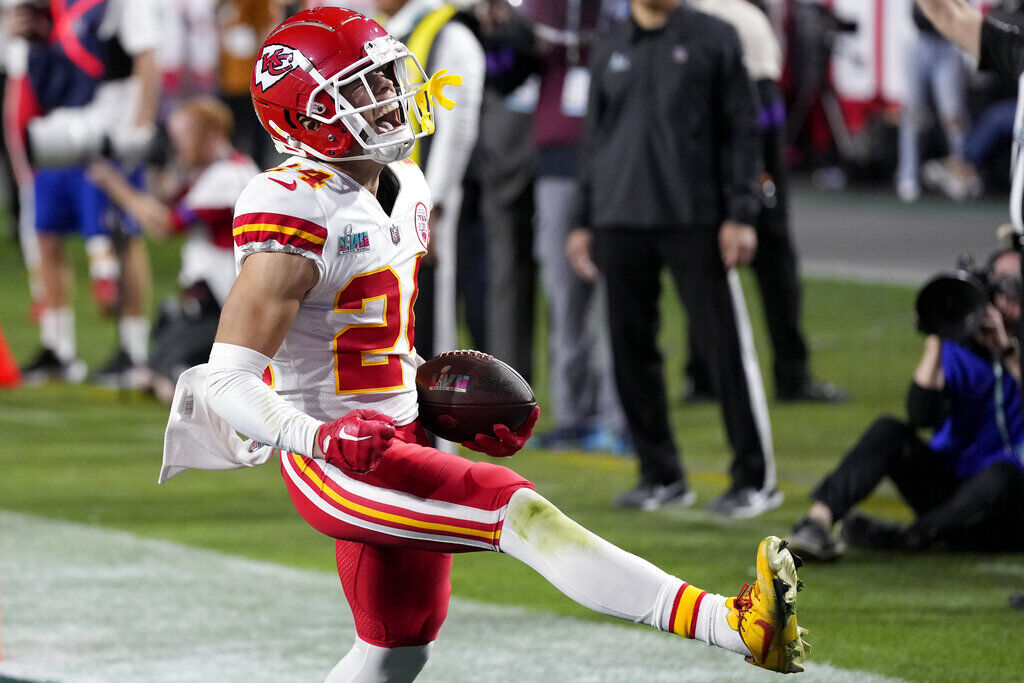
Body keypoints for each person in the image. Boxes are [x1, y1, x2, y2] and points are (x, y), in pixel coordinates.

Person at [180, 8, 808, 679]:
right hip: (337, 459)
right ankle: (734, 624)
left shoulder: (406, 185)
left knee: (397, 644)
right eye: (360, 88)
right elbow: (226, 379)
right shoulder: (294, 207)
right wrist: (319, 438)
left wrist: (433, 387)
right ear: (304, 113)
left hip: (398, 428)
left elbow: (369, 340)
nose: (388, 97)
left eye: (386, 76)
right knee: (518, 510)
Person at [567, 0, 780, 516]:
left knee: (723, 348)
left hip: (698, 218)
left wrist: (742, 213)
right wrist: (582, 219)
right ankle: (660, 475)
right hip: (619, 218)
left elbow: (743, 132)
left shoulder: (716, 36)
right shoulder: (611, 42)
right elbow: (593, 138)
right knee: (630, 352)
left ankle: (755, 480)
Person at [789, 249, 1024, 560]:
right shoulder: (959, 344)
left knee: (1003, 474)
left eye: (1015, 284)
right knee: (889, 431)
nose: (1006, 294)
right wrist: (938, 335)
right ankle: (818, 522)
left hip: (1010, 503)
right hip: (953, 490)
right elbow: (921, 415)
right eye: (1000, 282)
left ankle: (907, 536)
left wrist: (1006, 351)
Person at [685, 0, 848, 405]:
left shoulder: (682, 18)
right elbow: (764, 115)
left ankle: (701, 376)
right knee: (776, 267)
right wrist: (765, 177)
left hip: (698, 167)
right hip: (748, 162)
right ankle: (792, 375)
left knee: (703, 264)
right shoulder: (747, 21)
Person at [10, 0, 160, 386]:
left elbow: (147, 58)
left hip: (109, 128)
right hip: (59, 124)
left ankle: (134, 348)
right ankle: (58, 348)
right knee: (46, 233)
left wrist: (139, 127)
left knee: (123, 236)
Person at [86, 97, 259, 403]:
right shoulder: (221, 169)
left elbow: (164, 226)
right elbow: (165, 200)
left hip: (224, 301)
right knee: (157, 362)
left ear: (209, 135)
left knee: (167, 377)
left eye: (181, 139)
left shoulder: (227, 176)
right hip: (223, 297)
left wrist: (113, 183)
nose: (176, 147)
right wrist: (154, 165)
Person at [520, 0, 629, 453]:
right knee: (564, 298)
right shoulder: (539, 9)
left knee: (620, 299)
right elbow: (509, 68)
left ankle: (621, 419)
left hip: (617, 163)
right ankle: (576, 415)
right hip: (558, 164)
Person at [376, 0, 485, 363]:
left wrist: (435, 202)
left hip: (428, 197)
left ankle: (434, 409)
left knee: (429, 309)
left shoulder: (450, 33)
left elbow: (458, 126)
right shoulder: (378, 31)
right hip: (381, 193)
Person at [897, 5, 971, 203]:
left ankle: (959, 172)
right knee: (914, 114)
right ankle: (908, 175)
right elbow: (918, 14)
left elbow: (963, 13)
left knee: (954, 115)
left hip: (947, 45)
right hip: (917, 42)